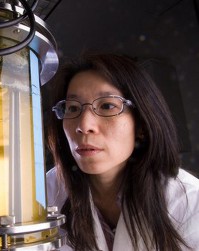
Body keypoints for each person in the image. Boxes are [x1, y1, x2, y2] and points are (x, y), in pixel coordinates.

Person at [46, 53, 199, 251]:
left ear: (142, 124)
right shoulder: (49, 190)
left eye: (107, 106)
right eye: (72, 108)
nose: (84, 126)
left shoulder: (188, 202)